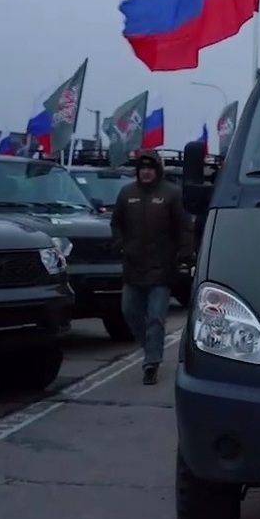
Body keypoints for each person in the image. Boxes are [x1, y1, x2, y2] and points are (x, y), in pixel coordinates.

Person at [110, 149, 193, 384]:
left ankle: (151, 364)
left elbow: (185, 227)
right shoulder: (127, 194)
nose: (146, 172)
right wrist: (120, 245)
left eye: (150, 168)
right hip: (133, 267)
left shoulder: (171, 194)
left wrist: (184, 253)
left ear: (157, 170)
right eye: (142, 168)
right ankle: (151, 348)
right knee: (130, 312)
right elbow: (116, 224)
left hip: (161, 268)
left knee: (156, 318)